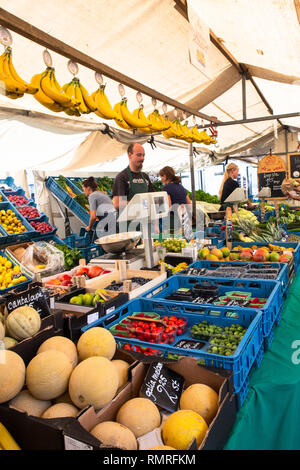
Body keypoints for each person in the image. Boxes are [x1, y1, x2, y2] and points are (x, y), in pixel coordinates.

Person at [112, 142, 159, 233]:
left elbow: (153, 202)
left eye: (143, 155)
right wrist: (141, 204)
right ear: (130, 155)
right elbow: (117, 203)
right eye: (139, 155)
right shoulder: (122, 177)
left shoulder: (145, 177)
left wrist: (156, 224)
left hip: (145, 226)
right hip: (128, 229)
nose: (142, 158)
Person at [159, 166, 192, 234]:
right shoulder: (181, 187)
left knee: (169, 241)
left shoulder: (166, 188)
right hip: (183, 219)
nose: (161, 179)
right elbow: (189, 204)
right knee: (179, 241)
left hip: (172, 220)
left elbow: (168, 206)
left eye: (161, 177)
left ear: (165, 176)